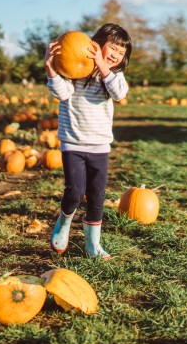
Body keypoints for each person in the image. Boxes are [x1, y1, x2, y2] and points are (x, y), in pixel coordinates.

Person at [45, 23, 132, 259]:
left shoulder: (114, 77)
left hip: (100, 146)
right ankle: (63, 224)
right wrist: (51, 69)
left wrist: (103, 67)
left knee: (96, 195)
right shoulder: (75, 72)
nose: (115, 55)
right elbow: (62, 93)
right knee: (74, 191)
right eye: (112, 48)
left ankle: (93, 244)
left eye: (121, 52)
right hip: (73, 143)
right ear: (97, 43)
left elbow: (119, 93)